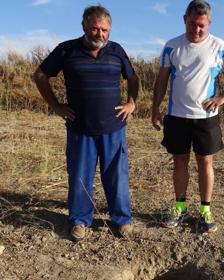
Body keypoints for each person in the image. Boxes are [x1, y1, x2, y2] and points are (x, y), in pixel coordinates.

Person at [34, 5, 139, 241]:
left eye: (104, 30)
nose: (100, 34)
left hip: (113, 127)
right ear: (84, 26)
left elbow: (132, 77)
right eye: (94, 28)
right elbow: (40, 76)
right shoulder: (66, 50)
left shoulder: (116, 51)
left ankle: (121, 219)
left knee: (117, 176)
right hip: (80, 128)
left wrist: (132, 102)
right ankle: (80, 220)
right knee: (80, 176)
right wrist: (56, 106)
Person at [152, 0, 224, 233]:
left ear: (209, 23)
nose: (196, 30)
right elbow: (162, 80)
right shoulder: (171, 46)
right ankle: (180, 208)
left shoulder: (219, 46)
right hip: (176, 116)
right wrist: (155, 108)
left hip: (206, 118)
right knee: (180, 161)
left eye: (201, 26)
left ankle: (205, 211)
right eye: (192, 24)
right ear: (185, 20)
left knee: (205, 162)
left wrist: (222, 98)